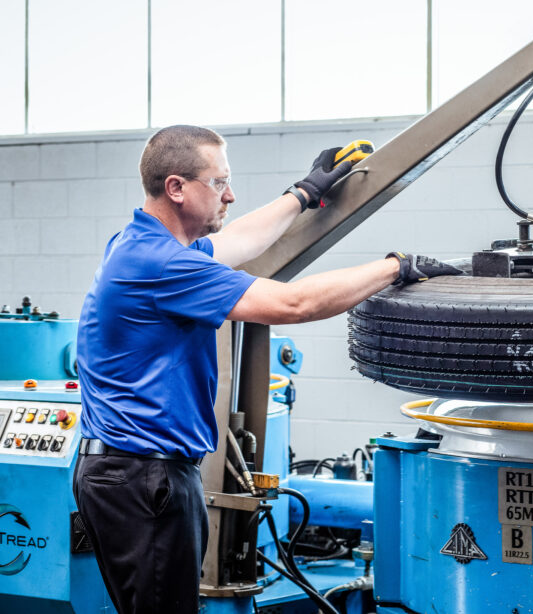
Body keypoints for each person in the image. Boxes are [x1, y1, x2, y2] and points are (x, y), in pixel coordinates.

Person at [72, 124, 460, 614]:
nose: (229, 195)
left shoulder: (138, 244)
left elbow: (240, 241)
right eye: (218, 183)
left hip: (128, 472)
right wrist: (395, 266)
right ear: (176, 187)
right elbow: (294, 303)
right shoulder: (162, 266)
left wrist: (304, 193)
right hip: (144, 478)